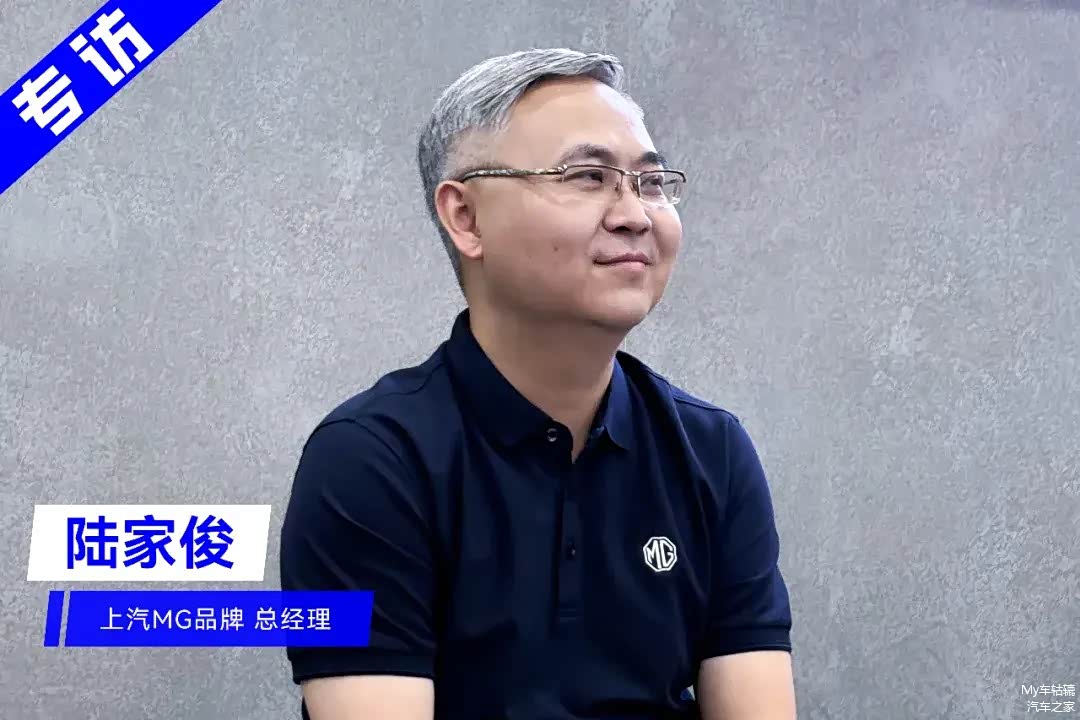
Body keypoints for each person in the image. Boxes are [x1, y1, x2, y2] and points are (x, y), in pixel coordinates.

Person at [279, 47, 796, 720]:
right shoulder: (368, 461)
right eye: (587, 177)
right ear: (466, 218)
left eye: (650, 182)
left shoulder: (711, 451)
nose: (635, 214)